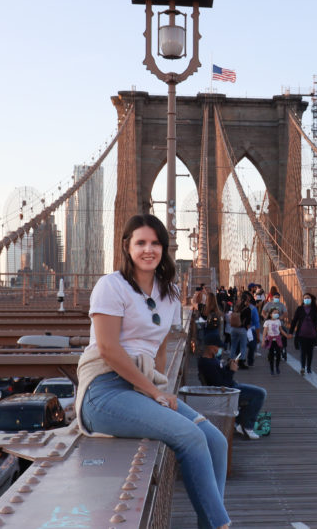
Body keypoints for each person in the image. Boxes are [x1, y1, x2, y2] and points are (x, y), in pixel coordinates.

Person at [74, 214, 230, 529]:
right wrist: (155, 392)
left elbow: (159, 346)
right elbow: (108, 349)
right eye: (141, 242)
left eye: (155, 243)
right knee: (190, 436)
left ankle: (209, 523)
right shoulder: (111, 286)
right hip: (104, 392)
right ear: (127, 247)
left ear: (164, 248)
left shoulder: (168, 293)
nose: (149, 249)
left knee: (216, 441)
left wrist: (158, 387)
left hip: (140, 389)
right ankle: (221, 526)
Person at [197, 341, 268, 440]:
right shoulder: (208, 364)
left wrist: (228, 366)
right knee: (260, 394)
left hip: (231, 387)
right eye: (218, 347)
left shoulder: (211, 359)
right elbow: (222, 385)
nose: (219, 350)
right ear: (211, 347)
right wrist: (231, 371)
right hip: (227, 393)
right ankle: (247, 426)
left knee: (259, 393)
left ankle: (239, 422)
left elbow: (221, 376)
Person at [290, 292, 317, 375]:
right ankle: (302, 367)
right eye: (305, 298)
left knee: (310, 352)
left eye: (308, 298)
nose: (306, 299)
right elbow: (294, 320)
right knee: (303, 352)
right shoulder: (299, 309)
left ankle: (309, 367)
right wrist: (290, 332)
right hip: (301, 334)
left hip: (312, 334)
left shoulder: (314, 309)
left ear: (311, 299)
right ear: (303, 299)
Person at [262, 308, 290, 374]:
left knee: (278, 354)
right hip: (270, 340)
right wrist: (263, 341)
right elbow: (264, 332)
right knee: (271, 355)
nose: (276, 314)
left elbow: (281, 330)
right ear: (271, 314)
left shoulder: (278, 321)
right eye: (274, 313)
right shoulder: (267, 322)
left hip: (277, 339)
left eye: (277, 313)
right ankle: (272, 369)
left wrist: (286, 335)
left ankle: (277, 367)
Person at [228, 292, 250, 368]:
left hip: (233, 328)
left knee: (233, 345)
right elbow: (248, 321)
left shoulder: (236, 307)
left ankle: (231, 360)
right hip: (242, 329)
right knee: (243, 346)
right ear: (246, 300)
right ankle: (241, 361)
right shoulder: (247, 309)